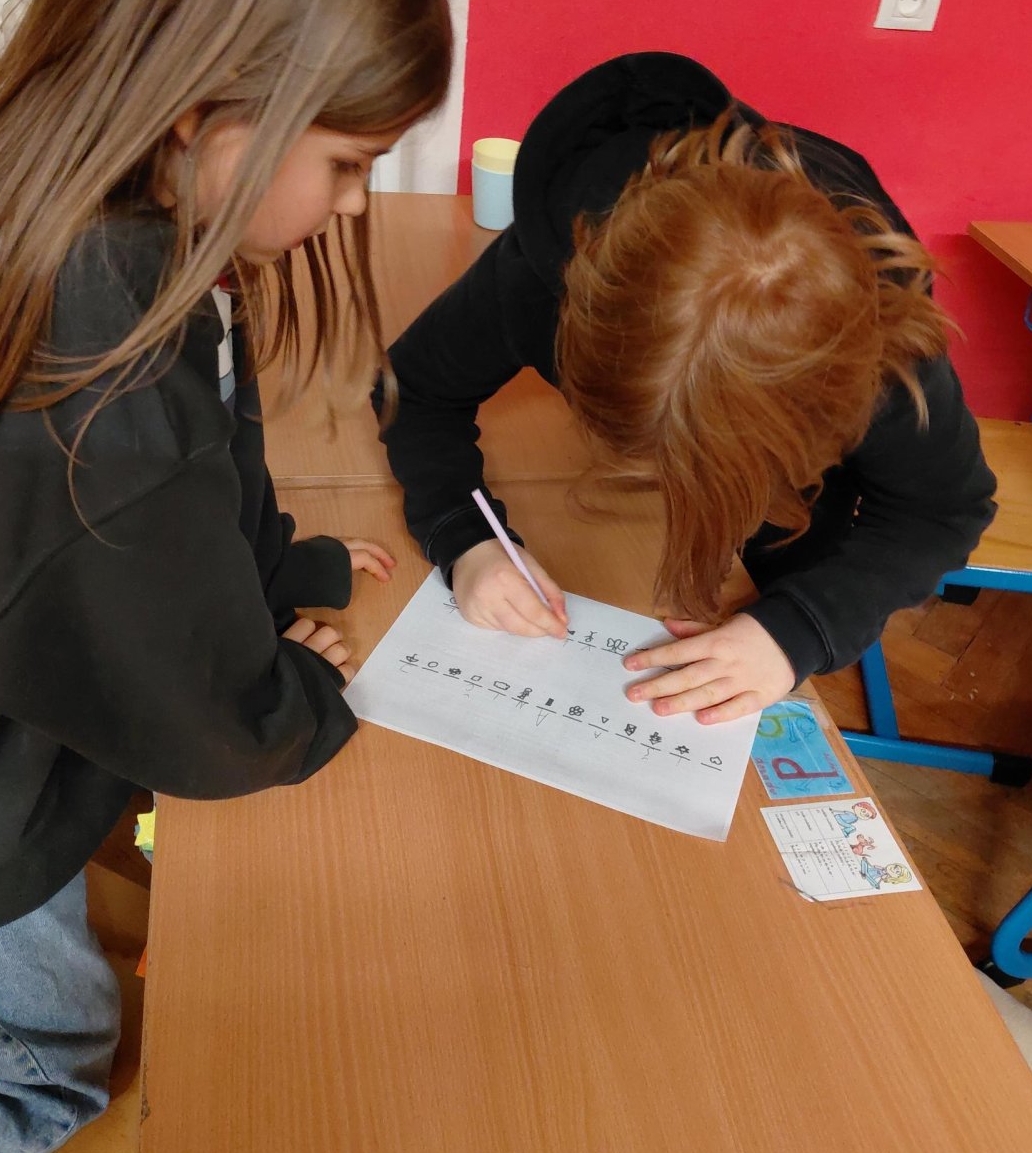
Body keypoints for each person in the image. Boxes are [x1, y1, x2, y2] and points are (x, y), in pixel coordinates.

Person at [0, 0, 451, 1153]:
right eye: (348, 163)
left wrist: (288, 570)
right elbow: (205, 729)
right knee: (35, 1078)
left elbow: (207, 475)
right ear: (207, 114)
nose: (353, 207)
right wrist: (300, 699)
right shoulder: (95, 391)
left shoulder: (91, 224)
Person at [377, 53, 994, 727]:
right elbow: (414, 388)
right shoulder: (543, 274)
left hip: (787, 538)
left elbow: (941, 510)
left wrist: (794, 631)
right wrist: (467, 538)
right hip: (640, 529)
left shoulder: (877, 338)